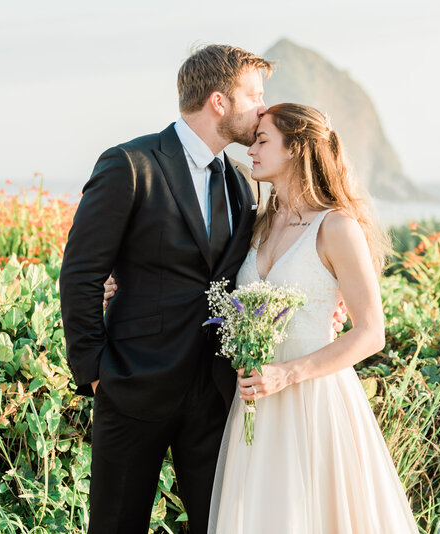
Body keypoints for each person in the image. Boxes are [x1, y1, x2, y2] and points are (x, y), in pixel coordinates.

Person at [59, 46, 345, 534]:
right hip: (133, 389)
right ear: (219, 101)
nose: (262, 109)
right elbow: (81, 272)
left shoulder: (241, 183)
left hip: (217, 399)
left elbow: (249, 277)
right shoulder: (130, 165)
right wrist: (94, 372)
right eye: (254, 96)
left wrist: (316, 306)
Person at [208, 103, 420, 533]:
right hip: (255, 403)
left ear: (297, 149)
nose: (252, 149)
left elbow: (370, 332)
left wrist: (287, 374)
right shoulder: (256, 224)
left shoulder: (337, 228)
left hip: (315, 400)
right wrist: (119, 281)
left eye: (263, 141)